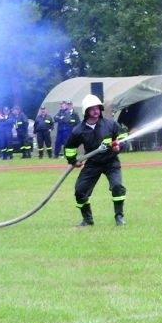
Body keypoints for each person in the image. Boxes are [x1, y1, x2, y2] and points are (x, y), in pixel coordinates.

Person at [64, 94, 129, 227]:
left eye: (97, 108)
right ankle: (87, 219)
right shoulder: (79, 130)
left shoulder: (110, 124)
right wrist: (73, 161)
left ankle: (119, 217)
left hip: (111, 162)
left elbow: (123, 137)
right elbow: (69, 147)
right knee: (80, 191)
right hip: (92, 163)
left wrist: (119, 146)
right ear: (86, 111)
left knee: (117, 186)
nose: (95, 110)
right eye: (92, 108)